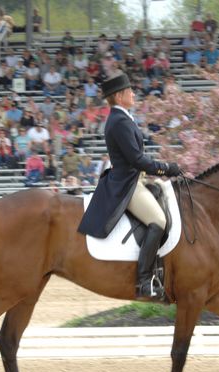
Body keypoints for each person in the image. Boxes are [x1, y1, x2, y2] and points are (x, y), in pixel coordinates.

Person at [77, 74, 180, 301]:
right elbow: (136, 159)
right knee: (158, 222)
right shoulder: (119, 121)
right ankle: (145, 281)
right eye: (129, 91)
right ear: (119, 96)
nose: (133, 94)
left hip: (136, 178)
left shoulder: (123, 118)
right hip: (128, 184)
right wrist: (166, 167)